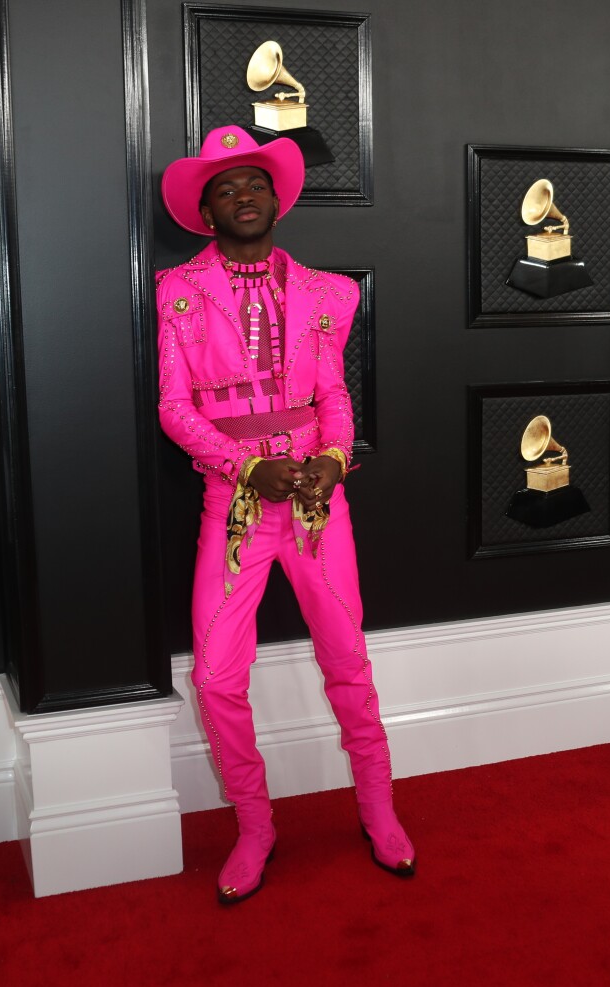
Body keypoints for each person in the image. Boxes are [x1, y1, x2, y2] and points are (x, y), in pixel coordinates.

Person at [156, 126, 415, 905]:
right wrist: (244, 466)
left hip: (316, 500)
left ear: (278, 198)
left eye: (254, 185)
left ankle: (378, 807)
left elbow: (334, 395)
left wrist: (332, 461)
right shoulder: (175, 291)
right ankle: (256, 825)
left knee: (348, 658)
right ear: (205, 210)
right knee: (215, 674)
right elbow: (173, 407)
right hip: (232, 503)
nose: (243, 197)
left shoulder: (332, 293)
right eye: (226, 189)